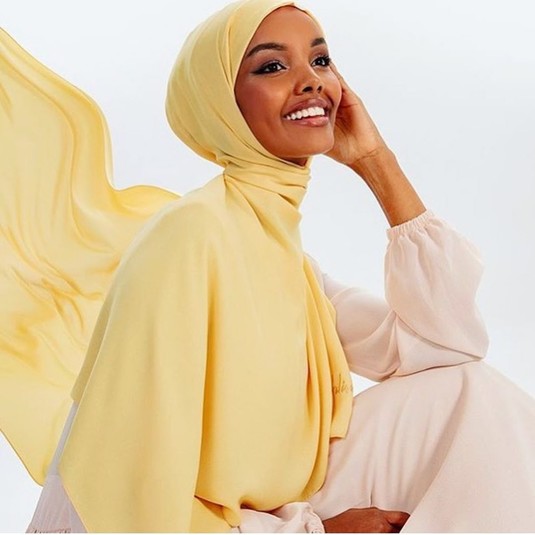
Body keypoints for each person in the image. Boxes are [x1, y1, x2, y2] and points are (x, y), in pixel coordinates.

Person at [1, 0, 534, 532]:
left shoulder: (286, 259)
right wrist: (316, 531)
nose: (312, 81)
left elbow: (448, 348)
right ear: (221, 106)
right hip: (154, 521)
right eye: (273, 66)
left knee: (469, 395)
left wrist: (376, 161)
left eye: (320, 61)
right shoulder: (192, 236)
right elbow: (130, 487)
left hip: (266, 507)